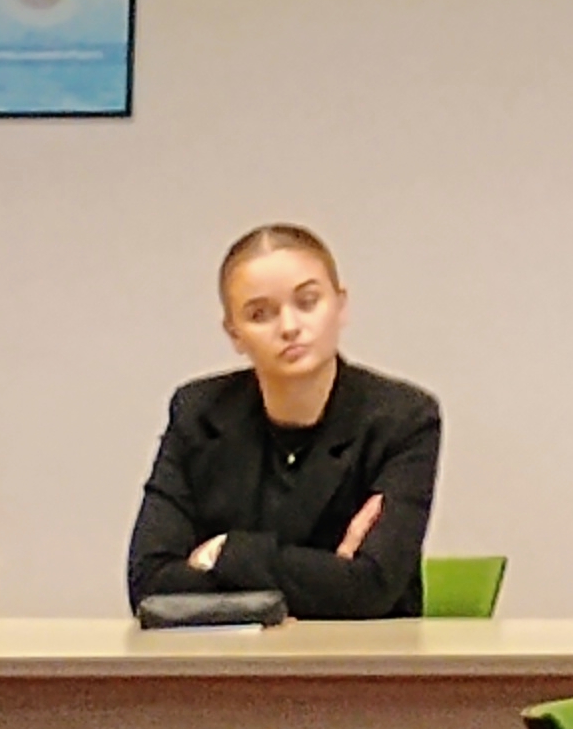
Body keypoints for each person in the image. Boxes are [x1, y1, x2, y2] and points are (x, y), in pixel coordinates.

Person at [127, 224, 440, 618]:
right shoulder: (199, 413)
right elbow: (149, 585)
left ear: (340, 306)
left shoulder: (402, 418)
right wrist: (327, 577)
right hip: (227, 654)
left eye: (307, 302)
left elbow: (371, 589)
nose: (289, 327)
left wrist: (225, 553)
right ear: (234, 333)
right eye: (260, 314)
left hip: (361, 653)